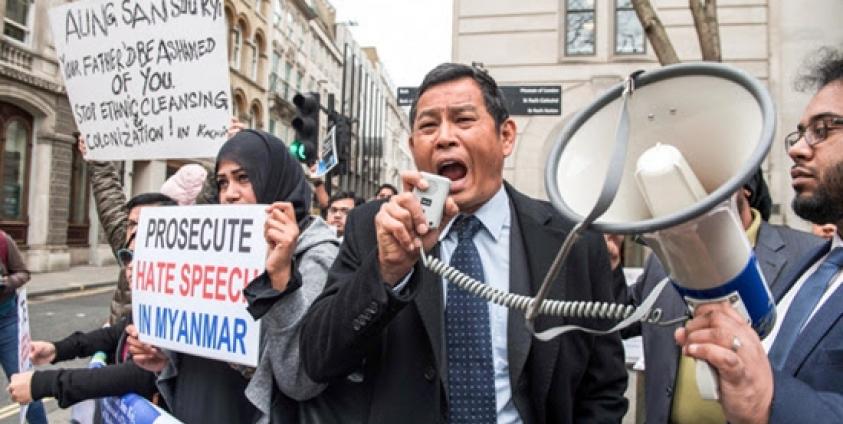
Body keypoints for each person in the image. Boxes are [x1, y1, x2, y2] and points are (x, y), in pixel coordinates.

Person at [299, 63, 628, 423]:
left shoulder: (573, 241)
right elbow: (318, 358)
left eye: (463, 120)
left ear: (506, 137)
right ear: (413, 147)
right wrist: (386, 271)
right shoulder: (372, 228)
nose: (444, 138)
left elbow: (603, 388)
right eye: (428, 126)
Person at [675, 47, 843, 423]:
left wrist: (768, 397)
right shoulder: (814, 265)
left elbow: (770, 393)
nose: (798, 149)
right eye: (800, 133)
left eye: (823, 129)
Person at [129, 130, 339, 424]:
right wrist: (164, 356)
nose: (229, 193)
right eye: (222, 182)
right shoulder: (214, 246)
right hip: (196, 402)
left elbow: (300, 378)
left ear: (273, 177)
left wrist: (281, 279)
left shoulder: (316, 255)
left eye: (243, 178)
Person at [620, 169, 822, 423]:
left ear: (745, 186)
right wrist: (607, 260)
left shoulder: (807, 255)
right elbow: (618, 319)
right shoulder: (664, 260)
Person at [7, 193, 175, 408]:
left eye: (149, 224)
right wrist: (56, 349)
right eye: (132, 224)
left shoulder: (177, 299)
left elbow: (142, 373)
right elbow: (116, 333)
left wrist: (46, 383)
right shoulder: (145, 298)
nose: (135, 233)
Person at [0, 229, 47, 424]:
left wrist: (5, 282)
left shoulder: (3, 241)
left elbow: (23, 273)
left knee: (25, 384)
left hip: (6, 321)